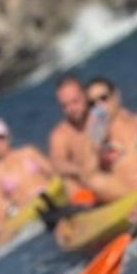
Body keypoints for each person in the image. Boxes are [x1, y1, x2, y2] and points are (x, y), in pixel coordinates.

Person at [84, 77, 137, 201]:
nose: (99, 105)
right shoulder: (95, 139)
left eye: (103, 98)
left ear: (115, 96)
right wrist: (96, 141)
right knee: (95, 181)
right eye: (92, 104)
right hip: (127, 191)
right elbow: (90, 177)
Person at [0, 117, 55, 210]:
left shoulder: (28, 152)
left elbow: (51, 172)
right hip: (29, 210)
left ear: (8, 137)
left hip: (51, 197)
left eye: (0, 139)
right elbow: (0, 202)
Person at [48, 75, 100, 205]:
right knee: (68, 181)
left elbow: (128, 122)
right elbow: (57, 162)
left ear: (85, 96)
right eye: (65, 106)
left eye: (75, 102)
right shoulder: (61, 134)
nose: (71, 109)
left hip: (112, 179)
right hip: (87, 192)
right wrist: (78, 170)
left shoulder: (101, 116)